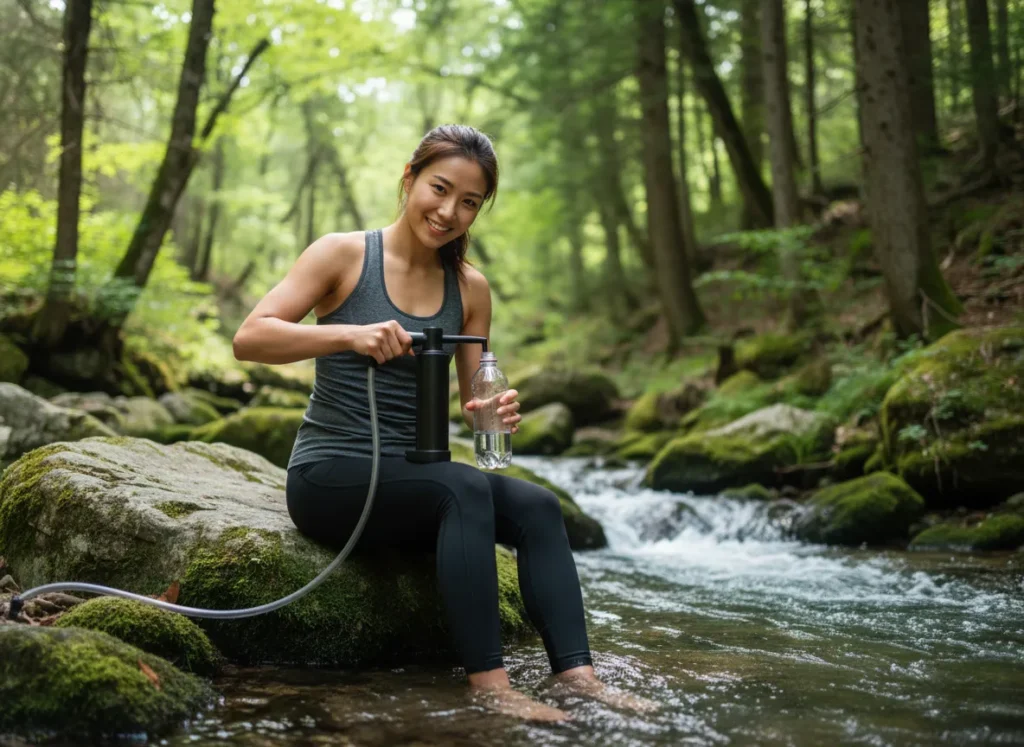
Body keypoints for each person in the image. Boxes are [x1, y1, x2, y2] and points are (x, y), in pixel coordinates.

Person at [233, 124, 648, 722]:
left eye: (470, 202)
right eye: (439, 188)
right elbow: (250, 338)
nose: (449, 211)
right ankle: (492, 688)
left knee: (538, 507)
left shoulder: (470, 288)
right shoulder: (344, 255)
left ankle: (578, 678)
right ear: (409, 179)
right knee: (459, 488)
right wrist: (350, 333)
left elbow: (478, 415)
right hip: (331, 474)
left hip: (416, 480)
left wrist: (495, 418)